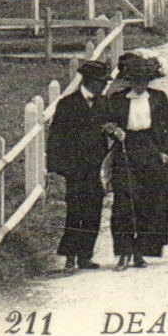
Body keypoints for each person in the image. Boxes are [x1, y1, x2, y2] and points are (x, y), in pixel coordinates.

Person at [103, 51, 168, 269]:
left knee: (149, 202)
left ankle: (140, 252)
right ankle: (123, 252)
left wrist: (165, 151)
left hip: (151, 151)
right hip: (125, 150)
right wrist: (114, 130)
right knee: (124, 202)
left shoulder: (158, 98)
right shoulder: (117, 100)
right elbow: (106, 122)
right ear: (130, 80)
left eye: (144, 80)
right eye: (136, 81)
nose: (140, 85)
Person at [46, 60, 112, 272]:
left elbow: (109, 127)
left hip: (96, 166)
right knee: (75, 210)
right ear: (89, 81)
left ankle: (85, 255)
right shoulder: (67, 104)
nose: (103, 86)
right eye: (101, 82)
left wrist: (112, 130)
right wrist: (56, 169)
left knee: (94, 208)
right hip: (74, 167)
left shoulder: (103, 103)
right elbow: (55, 138)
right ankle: (69, 257)